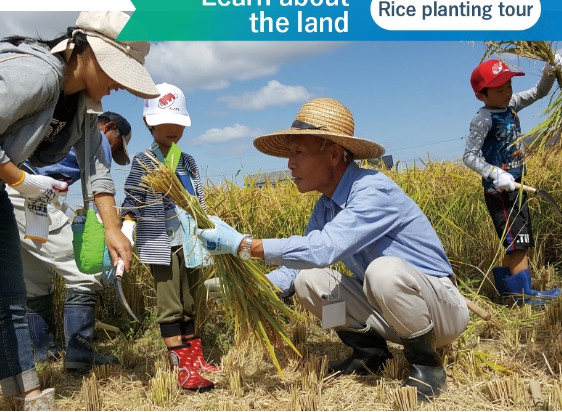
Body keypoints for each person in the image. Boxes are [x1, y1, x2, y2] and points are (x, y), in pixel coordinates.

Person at [0, 11, 158, 411]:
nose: (121, 84)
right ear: (86, 51)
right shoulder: (37, 75)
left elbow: (97, 170)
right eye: (119, 70)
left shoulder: (83, 105)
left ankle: (26, 397)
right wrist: (22, 181)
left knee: (10, 300)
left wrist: (112, 227)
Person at [198, 98, 469, 402]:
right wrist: (252, 289)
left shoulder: (373, 190)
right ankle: (369, 352)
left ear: (334, 154)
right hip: (388, 312)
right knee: (308, 282)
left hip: (438, 311)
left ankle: (426, 364)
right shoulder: (325, 207)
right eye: (289, 154)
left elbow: (324, 248)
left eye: (298, 152)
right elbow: (299, 266)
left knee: (383, 270)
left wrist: (245, 246)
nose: (290, 164)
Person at [9, 111, 132, 370]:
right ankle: (79, 353)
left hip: (8, 190)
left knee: (34, 281)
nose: (112, 150)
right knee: (84, 273)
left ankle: (44, 352)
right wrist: (108, 230)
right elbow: (97, 189)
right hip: (32, 195)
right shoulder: (96, 139)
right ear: (109, 128)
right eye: (117, 144)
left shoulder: (61, 129)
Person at [120, 83, 218, 392]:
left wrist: (208, 233)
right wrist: (126, 230)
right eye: (166, 122)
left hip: (191, 240)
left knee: (191, 300)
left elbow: (199, 201)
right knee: (171, 303)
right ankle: (182, 369)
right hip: (160, 242)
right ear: (149, 122)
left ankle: (195, 359)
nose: (173, 128)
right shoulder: (144, 161)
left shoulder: (187, 161)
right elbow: (132, 200)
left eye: (178, 123)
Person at [463, 58, 561, 305]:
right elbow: (469, 156)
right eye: (499, 89)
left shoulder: (512, 105)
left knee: (514, 243)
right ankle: (524, 298)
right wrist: (495, 173)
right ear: (481, 96)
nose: (507, 93)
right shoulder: (483, 119)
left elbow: (538, 92)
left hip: (518, 186)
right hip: (500, 192)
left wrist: (549, 74)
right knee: (519, 243)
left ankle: (509, 295)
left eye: (508, 86)